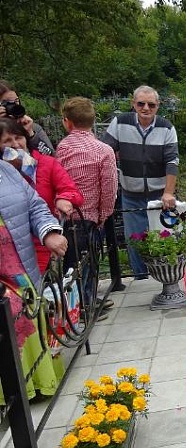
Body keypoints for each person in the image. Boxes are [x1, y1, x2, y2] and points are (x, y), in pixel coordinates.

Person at [0, 158, 68, 405]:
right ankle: (12, 398)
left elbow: (35, 206)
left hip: (19, 269)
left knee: (28, 315)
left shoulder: (6, 170)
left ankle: (37, 385)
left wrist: (48, 232)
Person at [101, 85, 179, 279]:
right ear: (133, 104)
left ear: (158, 106)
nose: (146, 108)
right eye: (141, 103)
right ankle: (141, 279)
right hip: (131, 194)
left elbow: (172, 160)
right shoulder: (120, 123)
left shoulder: (166, 127)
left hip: (158, 195)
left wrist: (168, 192)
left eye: (151, 105)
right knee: (134, 240)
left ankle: (166, 279)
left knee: (163, 239)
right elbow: (105, 152)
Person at [56, 97, 118, 309]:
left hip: (65, 216)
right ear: (92, 120)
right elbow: (109, 188)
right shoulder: (104, 150)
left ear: (67, 122)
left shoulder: (62, 148)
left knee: (72, 265)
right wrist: (103, 215)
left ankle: (81, 303)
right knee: (88, 262)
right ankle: (84, 306)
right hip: (90, 216)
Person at [0, 118, 83, 274]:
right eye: (7, 141)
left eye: (18, 137)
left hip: (45, 240)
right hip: (10, 249)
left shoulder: (46, 164)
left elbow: (72, 191)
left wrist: (63, 198)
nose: (16, 144)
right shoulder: (3, 174)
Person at [0, 79, 55, 156]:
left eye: (16, 101)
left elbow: (51, 157)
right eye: (7, 103)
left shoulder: (33, 127)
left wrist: (31, 134)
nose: (13, 106)